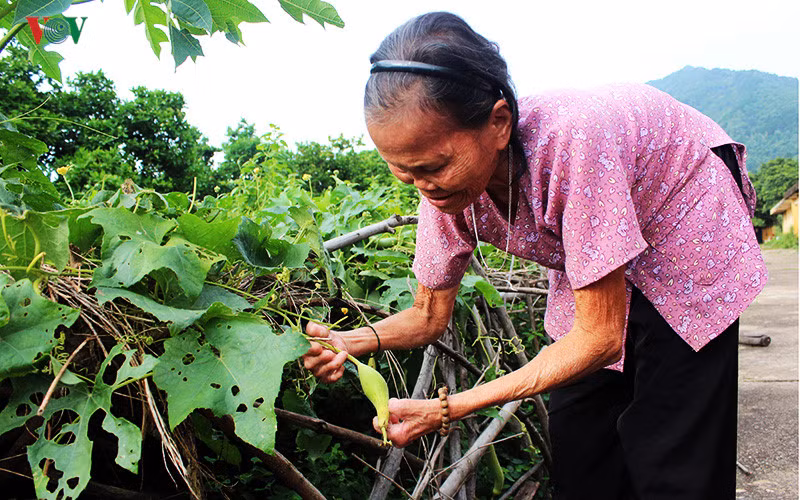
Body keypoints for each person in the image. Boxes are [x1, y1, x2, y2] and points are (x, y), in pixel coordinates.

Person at [302, 11, 767, 500]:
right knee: (583, 442)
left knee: (672, 445)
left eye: (433, 166)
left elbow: (599, 338)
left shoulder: (575, 142)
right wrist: (351, 341)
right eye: (402, 170)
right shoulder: (442, 191)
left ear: (499, 123)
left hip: (684, 222)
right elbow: (428, 313)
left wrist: (450, 406)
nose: (422, 185)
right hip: (599, 242)